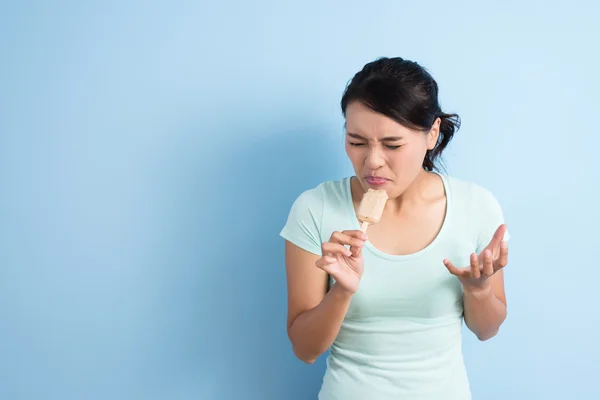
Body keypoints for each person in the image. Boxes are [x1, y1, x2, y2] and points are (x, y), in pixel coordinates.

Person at [279, 57, 510, 400]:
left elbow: (487, 330)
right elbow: (305, 349)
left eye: (392, 145)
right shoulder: (316, 209)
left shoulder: (475, 207)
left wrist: (478, 291)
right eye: (356, 142)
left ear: (432, 133)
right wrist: (341, 292)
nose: (372, 161)